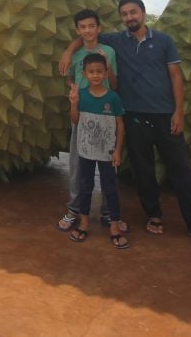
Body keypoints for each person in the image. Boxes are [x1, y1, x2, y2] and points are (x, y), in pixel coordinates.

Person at [59, 0, 191, 247]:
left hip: (163, 113)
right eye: (124, 14)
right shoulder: (117, 40)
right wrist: (69, 51)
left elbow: (176, 76)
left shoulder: (163, 41)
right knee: (143, 170)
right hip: (134, 114)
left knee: (181, 169)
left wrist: (179, 111)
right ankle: (154, 216)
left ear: (143, 12)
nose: (129, 17)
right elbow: (86, 35)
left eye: (133, 12)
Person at [57, 9, 128, 234]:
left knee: (109, 169)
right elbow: (69, 79)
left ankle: (110, 212)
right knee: (78, 167)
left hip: (106, 115)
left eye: (91, 26)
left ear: (99, 28)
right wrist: (73, 90)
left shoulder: (108, 51)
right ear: (78, 30)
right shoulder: (75, 55)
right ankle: (74, 209)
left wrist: (108, 65)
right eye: (83, 27)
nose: (87, 31)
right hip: (82, 114)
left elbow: (115, 84)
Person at [66, 52, 128, 249]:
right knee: (85, 187)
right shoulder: (82, 95)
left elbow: (120, 125)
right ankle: (84, 223)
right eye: (91, 72)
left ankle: (114, 227)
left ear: (105, 73)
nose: (95, 75)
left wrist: (118, 151)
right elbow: (75, 120)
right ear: (84, 74)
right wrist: (74, 104)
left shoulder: (113, 97)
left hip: (107, 152)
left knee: (110, 189)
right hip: (85, 151)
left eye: (99, 72)